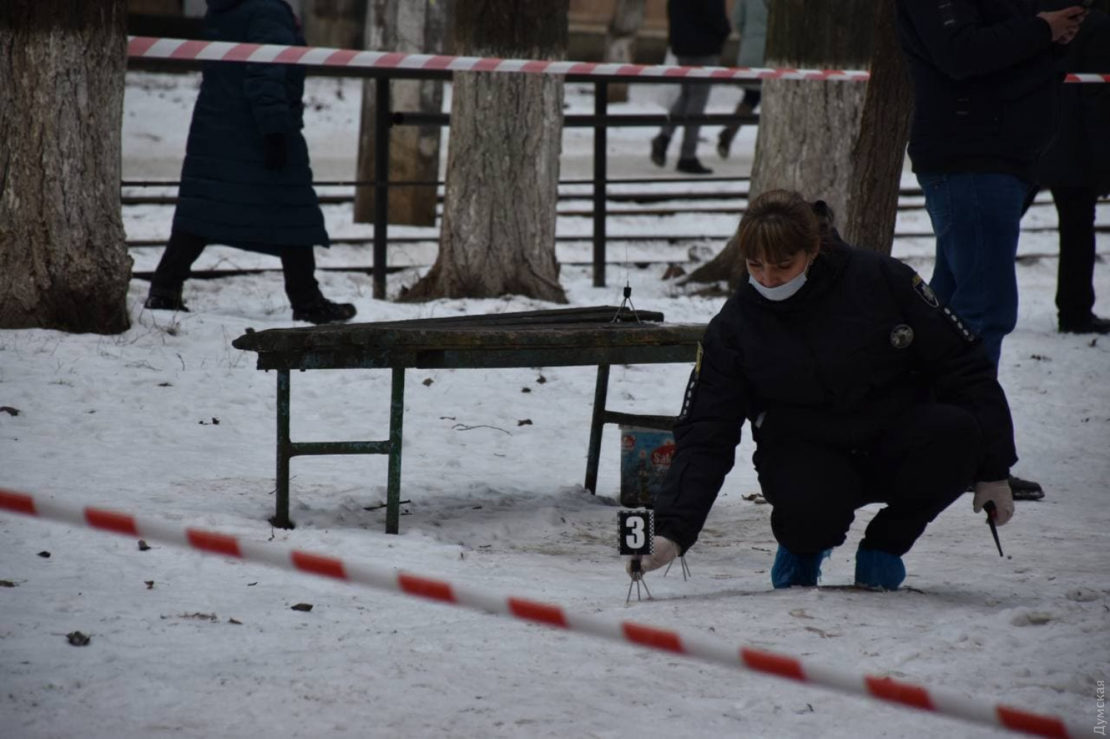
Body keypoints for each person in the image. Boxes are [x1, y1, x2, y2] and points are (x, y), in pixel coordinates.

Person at [628, 190, 1018, 590]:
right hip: (806, 449)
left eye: (782, 265)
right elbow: (705, 430)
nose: (767, 279)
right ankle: (802, 551)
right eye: (755, 265)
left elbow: (964, 364)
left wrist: (993, 469)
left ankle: (886, 547)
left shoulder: (882, 280)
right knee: (809, 506)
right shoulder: (734, 328)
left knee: (956, 433)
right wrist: (672, 529)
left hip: (896, 433)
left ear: (812, 250)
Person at [894, 0, 1090, 500]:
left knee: (950, 310)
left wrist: (1052, 33)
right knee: (982, 313)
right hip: (973, 159)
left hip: (991, 158)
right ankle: (972, 455)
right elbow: (960, 52)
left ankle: (927, 437)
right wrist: (1041, 31)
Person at [144, 0, 356, 325]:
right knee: (293, 211)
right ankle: (307, 301)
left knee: (204, 207)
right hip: (255, 127)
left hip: (216, 123)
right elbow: (266, 69)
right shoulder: (267, 11)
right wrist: (275, 130)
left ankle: (165, 287)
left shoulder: (225, 8)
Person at [1036, 2, 1110, 334]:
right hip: (1073, 148)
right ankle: (1075, 310)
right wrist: (1102, 161)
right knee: (1078, 228)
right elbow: (1096, 98)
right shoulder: (1095, 26)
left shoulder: (1034, 16)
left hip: (1033, 139)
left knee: (996, 222)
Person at [650, 0, 731, 175]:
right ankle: (687, 156)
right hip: (704, 46)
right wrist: (723, 32)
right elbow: (715, 15)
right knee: (697, 100)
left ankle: (664, 137)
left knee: (687, 95)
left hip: (682, 46)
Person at [716, 0, 767, 159]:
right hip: (770, 52)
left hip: (750, 50)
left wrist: (750, 35)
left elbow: (737, 20)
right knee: (761, 97)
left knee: (751, 96)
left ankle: (730, 131)